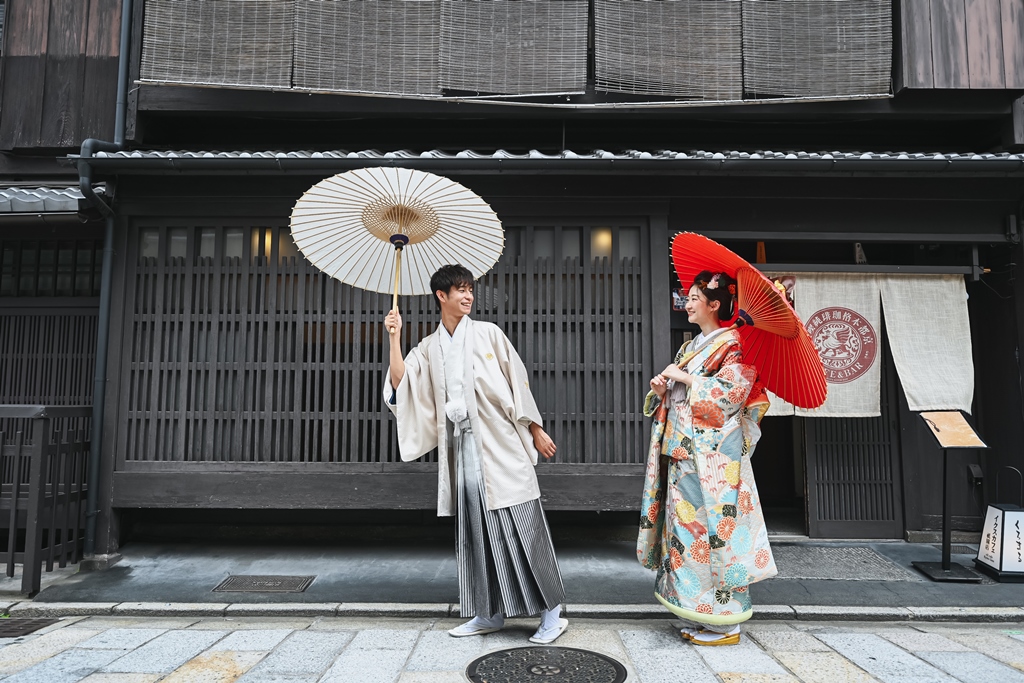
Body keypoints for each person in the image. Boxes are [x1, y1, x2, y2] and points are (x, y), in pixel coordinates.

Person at [383, 264, 568, 644]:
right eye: (460, 290)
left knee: (522, 524)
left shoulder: (488, 334)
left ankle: (552, 614)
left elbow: (518, 383)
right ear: (441, 296)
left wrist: (535, 428)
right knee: (476, 530)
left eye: (470, 289)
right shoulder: (430, 347)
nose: (468, 296)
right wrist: (395, 338)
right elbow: (402, 384)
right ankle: (488, 613)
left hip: (501, 444)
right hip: (464, 449)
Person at [638, 270, 776, 646]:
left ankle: (725, 623)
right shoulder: (693, 345)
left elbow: (732, 394)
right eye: (688, 296)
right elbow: (679, 391)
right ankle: (700, 614)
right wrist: (661, 389)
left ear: (715, 305)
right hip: (685, 455)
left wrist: (685, 380)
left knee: (715, 535)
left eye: (695, 297)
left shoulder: (733, 343)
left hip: (711, 461)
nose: (688, 302)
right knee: (685, 533)